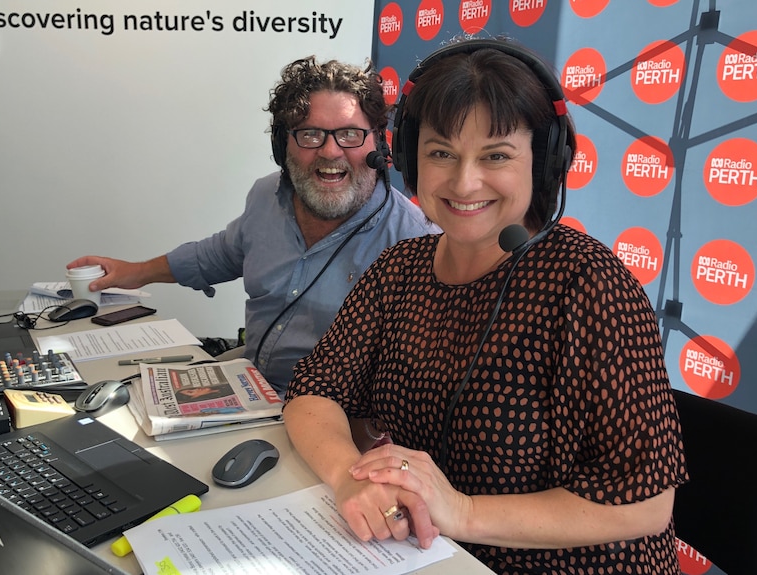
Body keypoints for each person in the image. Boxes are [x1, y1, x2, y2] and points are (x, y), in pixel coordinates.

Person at [283, 38, 688, 574]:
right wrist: (346, 478)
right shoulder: (399, 270)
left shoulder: (587, 284)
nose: (464, 181)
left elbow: (646, 503)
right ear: (407, 159)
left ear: (543, 164)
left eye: (496, 155)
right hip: (433, 556)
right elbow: (314, 391)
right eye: (441, 153)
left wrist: (463, 512)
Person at [67, 55, 437, 399]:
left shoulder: (414, 242)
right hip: (248, 386)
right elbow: (220, 254)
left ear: (379, 145)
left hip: (335, 421)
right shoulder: (266, 197)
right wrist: (135, 272)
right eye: (310, 134)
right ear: (282, 145)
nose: (330, 151)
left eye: (350, 135)